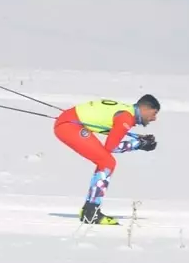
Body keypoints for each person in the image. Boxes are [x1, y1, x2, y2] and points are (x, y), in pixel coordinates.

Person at [52, 94, 160, 225]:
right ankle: (91, 213)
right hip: (69, 126)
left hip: (70, 122)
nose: (154, 119)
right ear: (145, 108)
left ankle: (89, 210)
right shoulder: (126, 117)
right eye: (154, 113)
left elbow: (113, 130)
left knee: (107, 161)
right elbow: (111, 147)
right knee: (107, 162)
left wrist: (139, 140)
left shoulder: (126, 113)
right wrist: (139, 145)